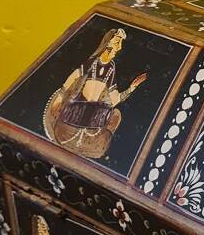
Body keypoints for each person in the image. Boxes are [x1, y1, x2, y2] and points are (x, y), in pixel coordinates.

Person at [43, 27, 147, 159]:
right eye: (117, 42)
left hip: (93, 120)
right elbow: (73, 77)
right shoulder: (92, 63)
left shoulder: (111, 68)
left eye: (120, 43)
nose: (119, 47)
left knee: (116, 115)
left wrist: (131, 88)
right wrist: (60, 96)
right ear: (107, 43)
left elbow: (114, 99)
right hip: (75, 112)